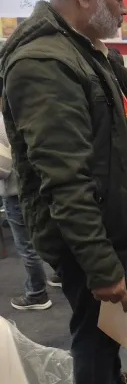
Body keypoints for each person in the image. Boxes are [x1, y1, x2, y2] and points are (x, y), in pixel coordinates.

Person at [0, 0, 127, 384]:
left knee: (117, 314)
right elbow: (64, 182)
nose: (126, 7)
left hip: (110, 219)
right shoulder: (44, 63)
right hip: (86, 233)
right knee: (94, 323)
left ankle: (110, 377)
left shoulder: (84, 48)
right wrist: (99, 264)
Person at [0, 124, 54, 309]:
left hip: (15, 191)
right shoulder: (26, 113)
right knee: (50, 233)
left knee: (26, 246)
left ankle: (37, 292)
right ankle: (61, 274)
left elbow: (3, 169)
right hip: (39, 184)